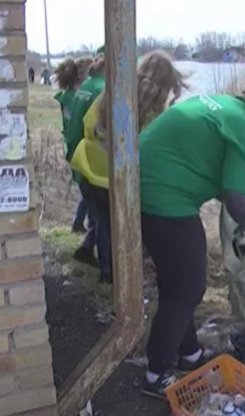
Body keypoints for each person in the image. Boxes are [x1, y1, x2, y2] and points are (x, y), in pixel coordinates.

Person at [139, 81, 245, 398]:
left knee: (175, 286)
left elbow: (220, 173)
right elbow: (236, 197)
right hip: (165, 198)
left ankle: (190, 354)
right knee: (187, 289)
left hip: (142, 185)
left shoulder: (222, 106)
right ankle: (156, 373)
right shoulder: (243, 124)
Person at [70, 50, 187, 285]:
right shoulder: (156, 113)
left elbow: (87, 124)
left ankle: (108, 275)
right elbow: (152, 152)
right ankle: (126, 278)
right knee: (127, 231)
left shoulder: (111, 91)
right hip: (123, 182)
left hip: (90, 173)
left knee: (104, 225)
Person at [53, 58, 97, 266]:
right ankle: (82, 227)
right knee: (91, 191)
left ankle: (79, 223)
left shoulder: (67, 96)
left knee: (86, 190)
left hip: (72, 148)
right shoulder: (77, 97)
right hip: (81, 149)